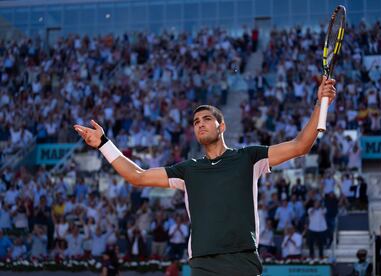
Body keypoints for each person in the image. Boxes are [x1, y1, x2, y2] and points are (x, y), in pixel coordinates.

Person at [74, 77, 336, 275]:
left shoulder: (249, 157)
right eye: (196, 120)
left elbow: (301, 145)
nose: (200, 123)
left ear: (222, 126)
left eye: (207, 118)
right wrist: (103, 144)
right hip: (202, 265)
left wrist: (320, 101)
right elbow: (137, 176)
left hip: (242, 262)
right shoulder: (187, 170)